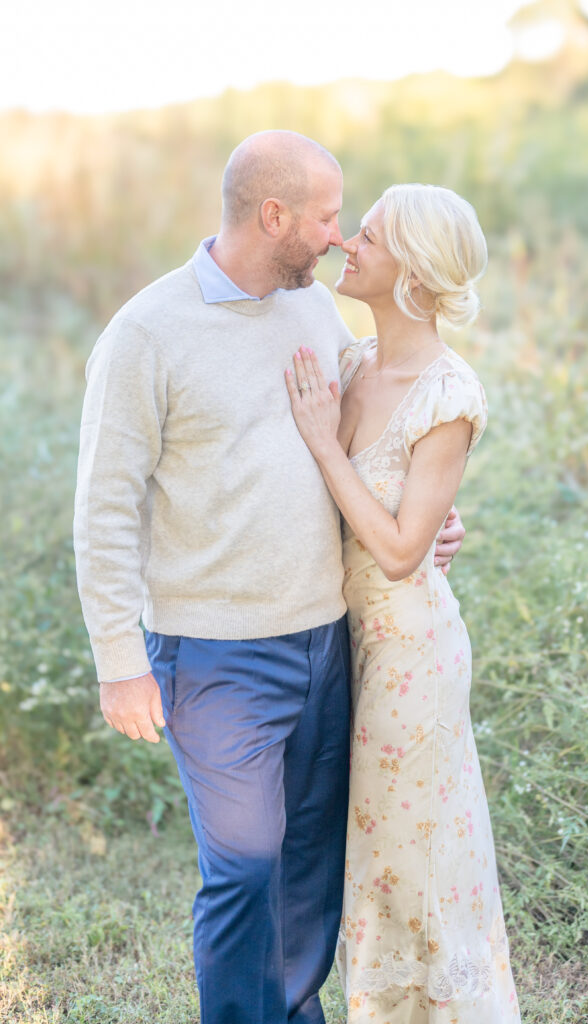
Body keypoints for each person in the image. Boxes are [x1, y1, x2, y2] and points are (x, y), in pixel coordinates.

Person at [73, 131, 465, 1024]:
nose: (337, 236)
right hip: (214, 655)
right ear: (273, 215)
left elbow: (364, 434)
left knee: (306, 869)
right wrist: (118, 659)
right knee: (246, 867)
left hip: (325, 637)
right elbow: (104, 510)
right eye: (328, 217)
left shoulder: (310, 312)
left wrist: (425, 514)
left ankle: (293, 1012)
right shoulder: (146, 333)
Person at [285, 183, 520, 1022]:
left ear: (413, 272)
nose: (350, 242)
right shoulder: (349, 364)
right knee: (372, 867)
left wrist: (324, 444)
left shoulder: (446, 393)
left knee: (413, 866)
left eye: (371, 237)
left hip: (410, 657)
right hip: (340, 645)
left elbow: (394, 551)